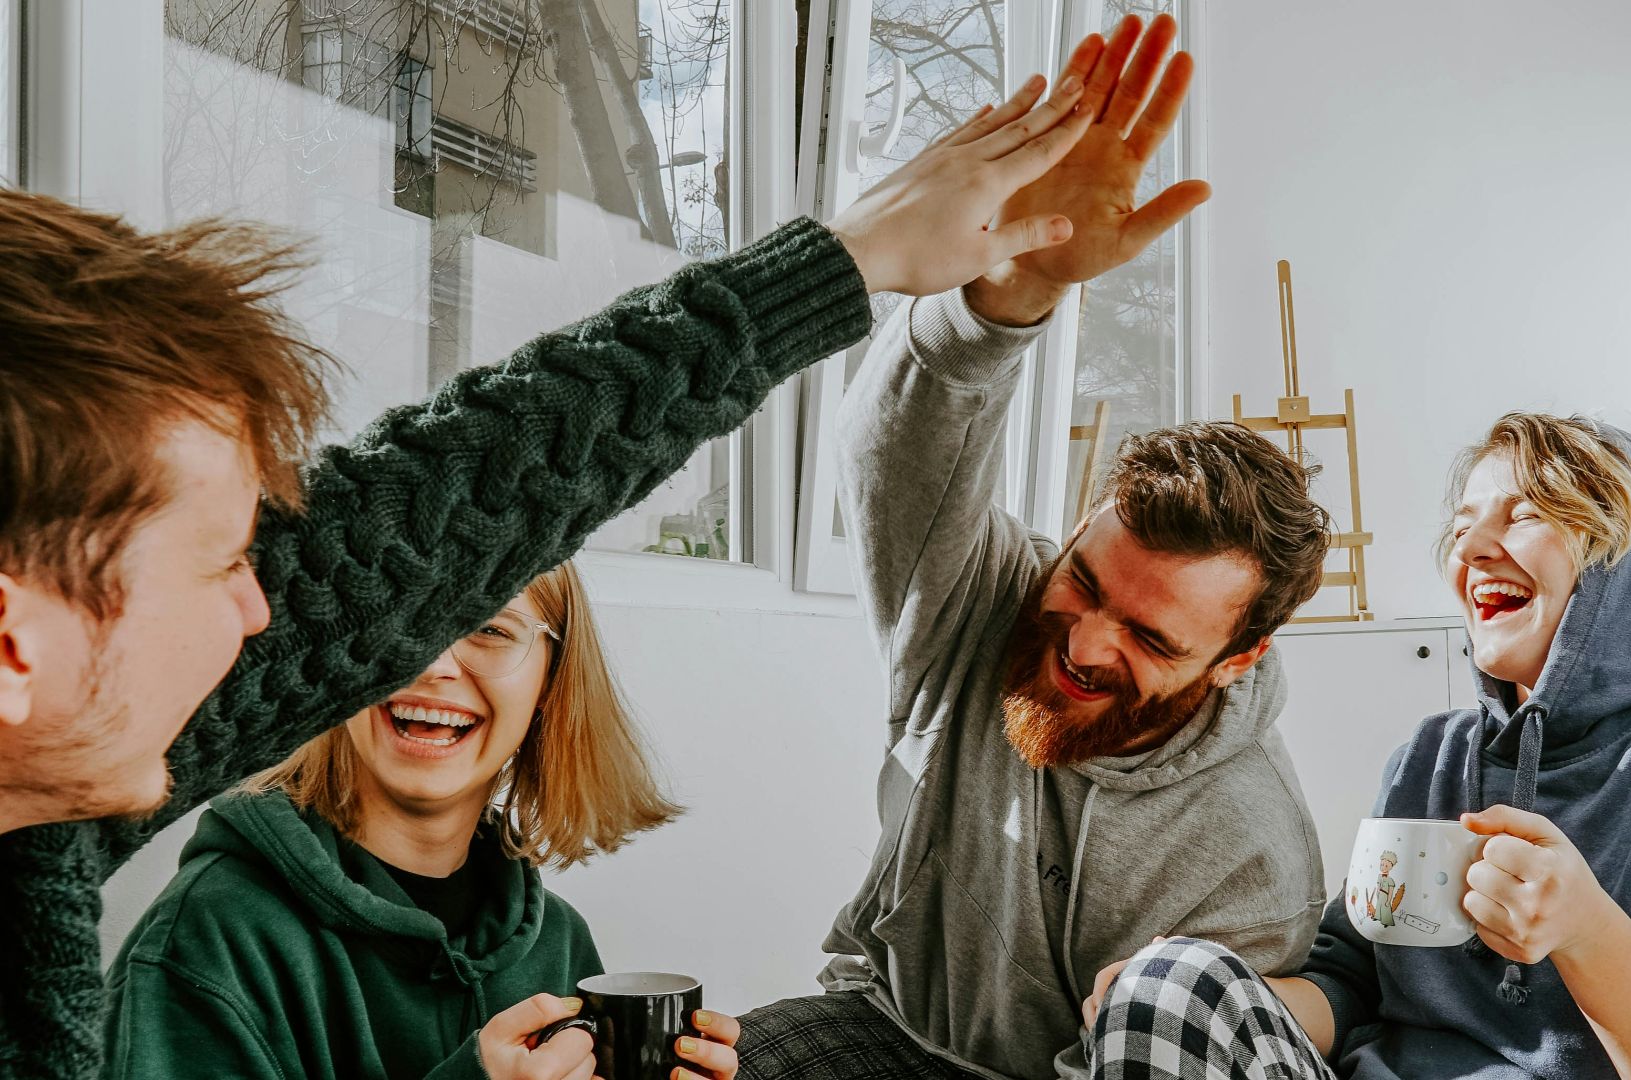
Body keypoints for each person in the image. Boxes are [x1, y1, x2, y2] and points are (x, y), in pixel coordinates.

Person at [0, 71, 1100, 1078]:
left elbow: (434, 513)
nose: (265, 607)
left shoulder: (36, 823)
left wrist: (847, 262)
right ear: (13, 647)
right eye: (225, 563)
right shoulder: (190, 928)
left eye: (491, 630)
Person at [735, 15, 1336, 1080]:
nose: (1087, 642)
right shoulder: (987, 604)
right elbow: (899, 456)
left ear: (1237, 660)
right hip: (886, 1026)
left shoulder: (1249, 854)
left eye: (1152, 635)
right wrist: (1013, 295)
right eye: (1086, 580)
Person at [1082, 414, 1631, 1080]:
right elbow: (1351, 980)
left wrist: (1587, 933)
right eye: (1465, 523)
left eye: (1527, 514)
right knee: (1171, 982)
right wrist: (1196, 998)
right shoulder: (1431, 756)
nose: (1470, 547)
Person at [104, 561, 739, 1080]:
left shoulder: (559, 941)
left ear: (551, 682)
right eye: (405, 621)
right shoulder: (208, 937)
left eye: (490, 628)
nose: (433, 667)